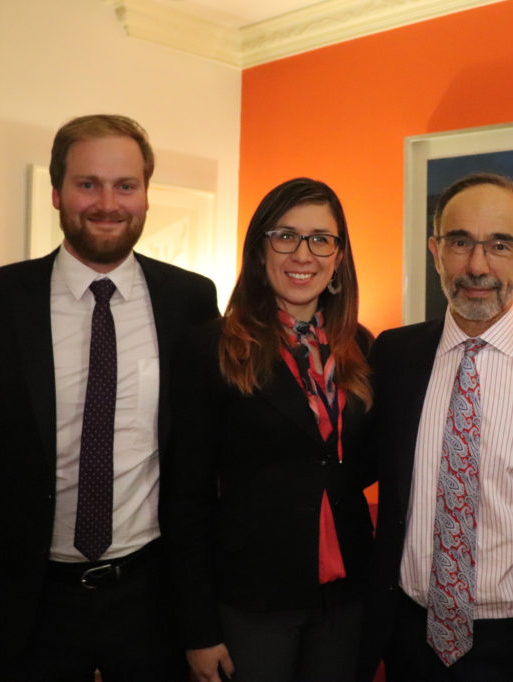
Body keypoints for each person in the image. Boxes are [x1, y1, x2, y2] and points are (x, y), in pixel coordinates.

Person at [0, 114, 220, 680]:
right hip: (29, 600)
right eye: (88, 184)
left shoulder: (190, 301)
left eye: (125, 185)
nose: (108, 202)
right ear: (57, 192)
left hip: (152, 597)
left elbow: (203, 456)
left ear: (146, 195)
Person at [361, 172, 513, 681]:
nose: (477, 266)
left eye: (500, 245)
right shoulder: (391, 356)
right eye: (460, 243)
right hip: (409, 638)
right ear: (435, 252)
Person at [160, 178, 375, 682]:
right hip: (253, 602)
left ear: (339, 257)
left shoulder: (360, 346)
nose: (304, 253)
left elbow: (359, 462)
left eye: (321, 238)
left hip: (346, 598)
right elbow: (184, 496)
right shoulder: (209, 349)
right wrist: (198, 628)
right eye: (286, 236)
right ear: (260, 249)